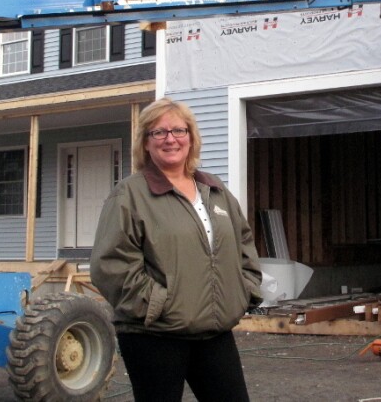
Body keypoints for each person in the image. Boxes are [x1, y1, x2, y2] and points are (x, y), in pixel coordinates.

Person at [91, 97, 262, 402]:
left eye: (179, 131)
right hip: (155, 335)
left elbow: (244, 244)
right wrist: (158, 305)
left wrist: (244, 292)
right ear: (146, 143)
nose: (170, 138)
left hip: (213, 330)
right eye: (159, 132)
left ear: (191, 138)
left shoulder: (215, 190)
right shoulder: (129, 194)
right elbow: (111, 265)